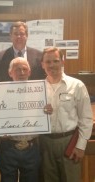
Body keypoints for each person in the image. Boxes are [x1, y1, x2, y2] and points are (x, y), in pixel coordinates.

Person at [39, 47, 93, 182]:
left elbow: (86, 119)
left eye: (56, 61)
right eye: (48, 62)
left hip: (69, 142)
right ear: (42, 64)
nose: (52, 65)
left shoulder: (77, 85)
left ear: (63, 62)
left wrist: (80, 146)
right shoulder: (37, 88)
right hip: (45, 143)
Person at [0, 57, 49, 182]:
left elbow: (46, 116)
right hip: (8, 147)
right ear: (10, 73)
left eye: (25, 69)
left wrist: (48, 110)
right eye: (17, 69)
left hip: (32, 147)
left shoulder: (41, 91)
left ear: (29, 72)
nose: (22, 73)